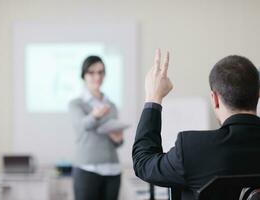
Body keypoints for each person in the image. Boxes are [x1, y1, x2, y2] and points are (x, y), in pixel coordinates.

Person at [132, 49, 260, 200]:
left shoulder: (192, 149)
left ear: (215, 99)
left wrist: (153, 97)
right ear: (258, 94)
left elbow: (143, 163)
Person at [69, 55, 123, 200]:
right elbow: (83, 125)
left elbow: (117, 141)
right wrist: (95, 115)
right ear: (84, 75)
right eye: (91, 72)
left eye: (100, 72)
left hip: (112, 170)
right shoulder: (76, 104)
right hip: (87, 169)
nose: (97, 76)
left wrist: (118, 139)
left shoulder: (111, 105)